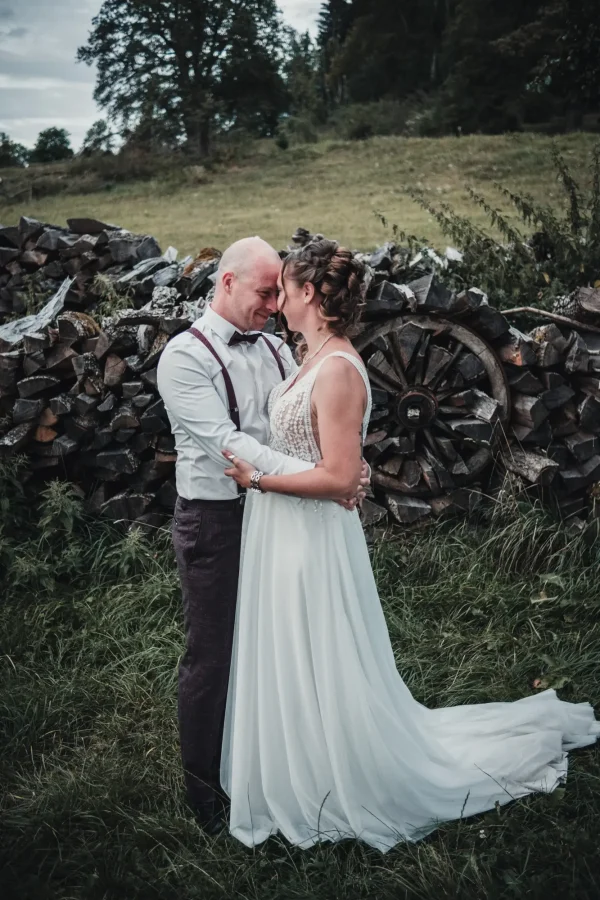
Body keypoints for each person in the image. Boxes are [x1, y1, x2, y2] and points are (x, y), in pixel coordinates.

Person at [220, 237, 600, 853]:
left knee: (317, 648)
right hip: (285, 528)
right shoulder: (309, 357)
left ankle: (339, 773)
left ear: (310, 293)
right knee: (294, 648)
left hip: (310, 535)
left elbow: (342, 477)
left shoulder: (339, 368)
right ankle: (307, 760)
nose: (278, 300)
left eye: (285, 289)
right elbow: (326, 456)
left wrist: (257, 478)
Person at [156, 236, 368, 834]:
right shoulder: (183, 357)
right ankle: (206, 792)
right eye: (264, 292)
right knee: (214, 654)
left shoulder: (279, 348)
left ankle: (272, 770)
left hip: (281, 521)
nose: (275, 305)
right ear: (226, 282)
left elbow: (308, 429)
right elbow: (230, 445)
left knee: (277, 646)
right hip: (217, 522)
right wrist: (323, 480)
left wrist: (341, 473)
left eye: (281, 292)